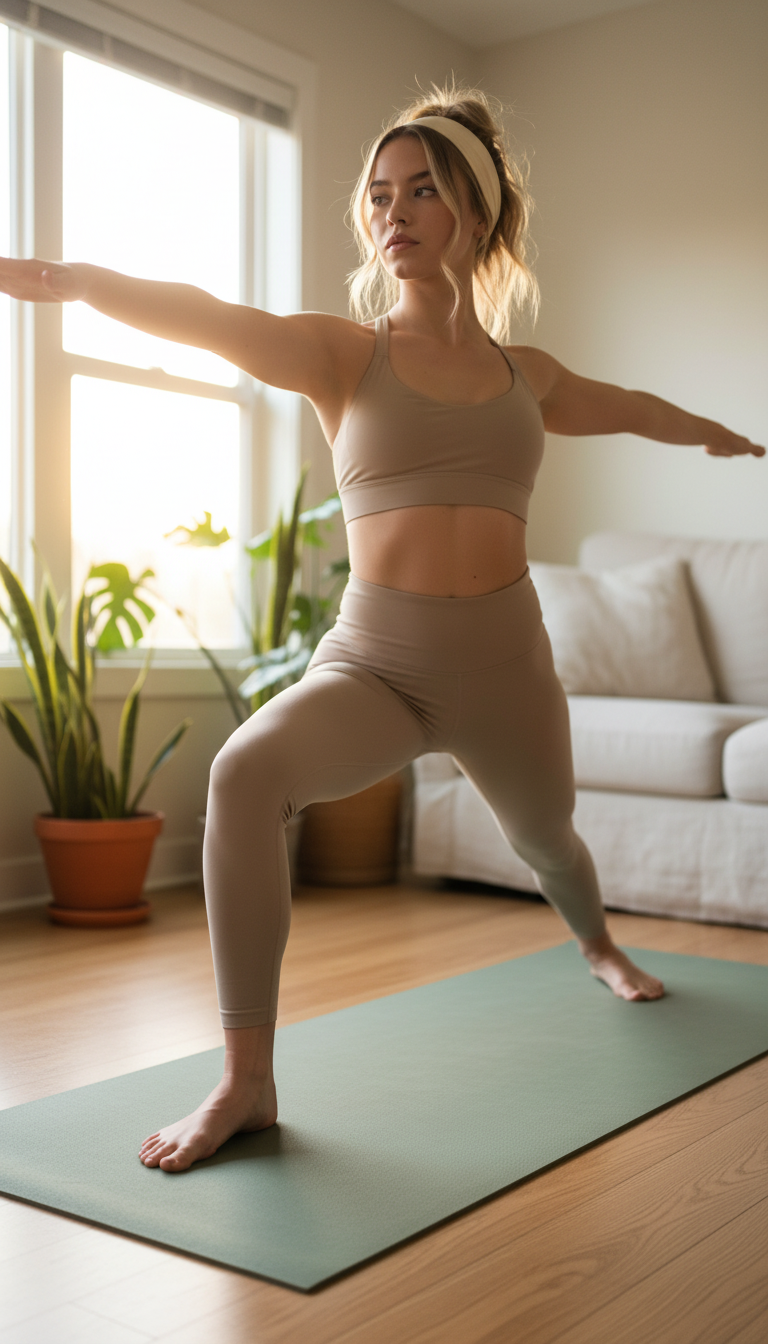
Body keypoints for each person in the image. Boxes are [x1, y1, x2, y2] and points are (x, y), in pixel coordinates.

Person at [2, 86, 763, 1175]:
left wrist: (720, 437)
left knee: (549, 839)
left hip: (505, 667)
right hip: (377, 662)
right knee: (245, 773)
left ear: (477, 211)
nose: (391, 214)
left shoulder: (525, 378)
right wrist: (73, 282)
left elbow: (634, 404)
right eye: (378, 197)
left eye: (421, 192)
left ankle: (595, 943)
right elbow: (202, 312)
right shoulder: (340, 356)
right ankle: (247, 1081)